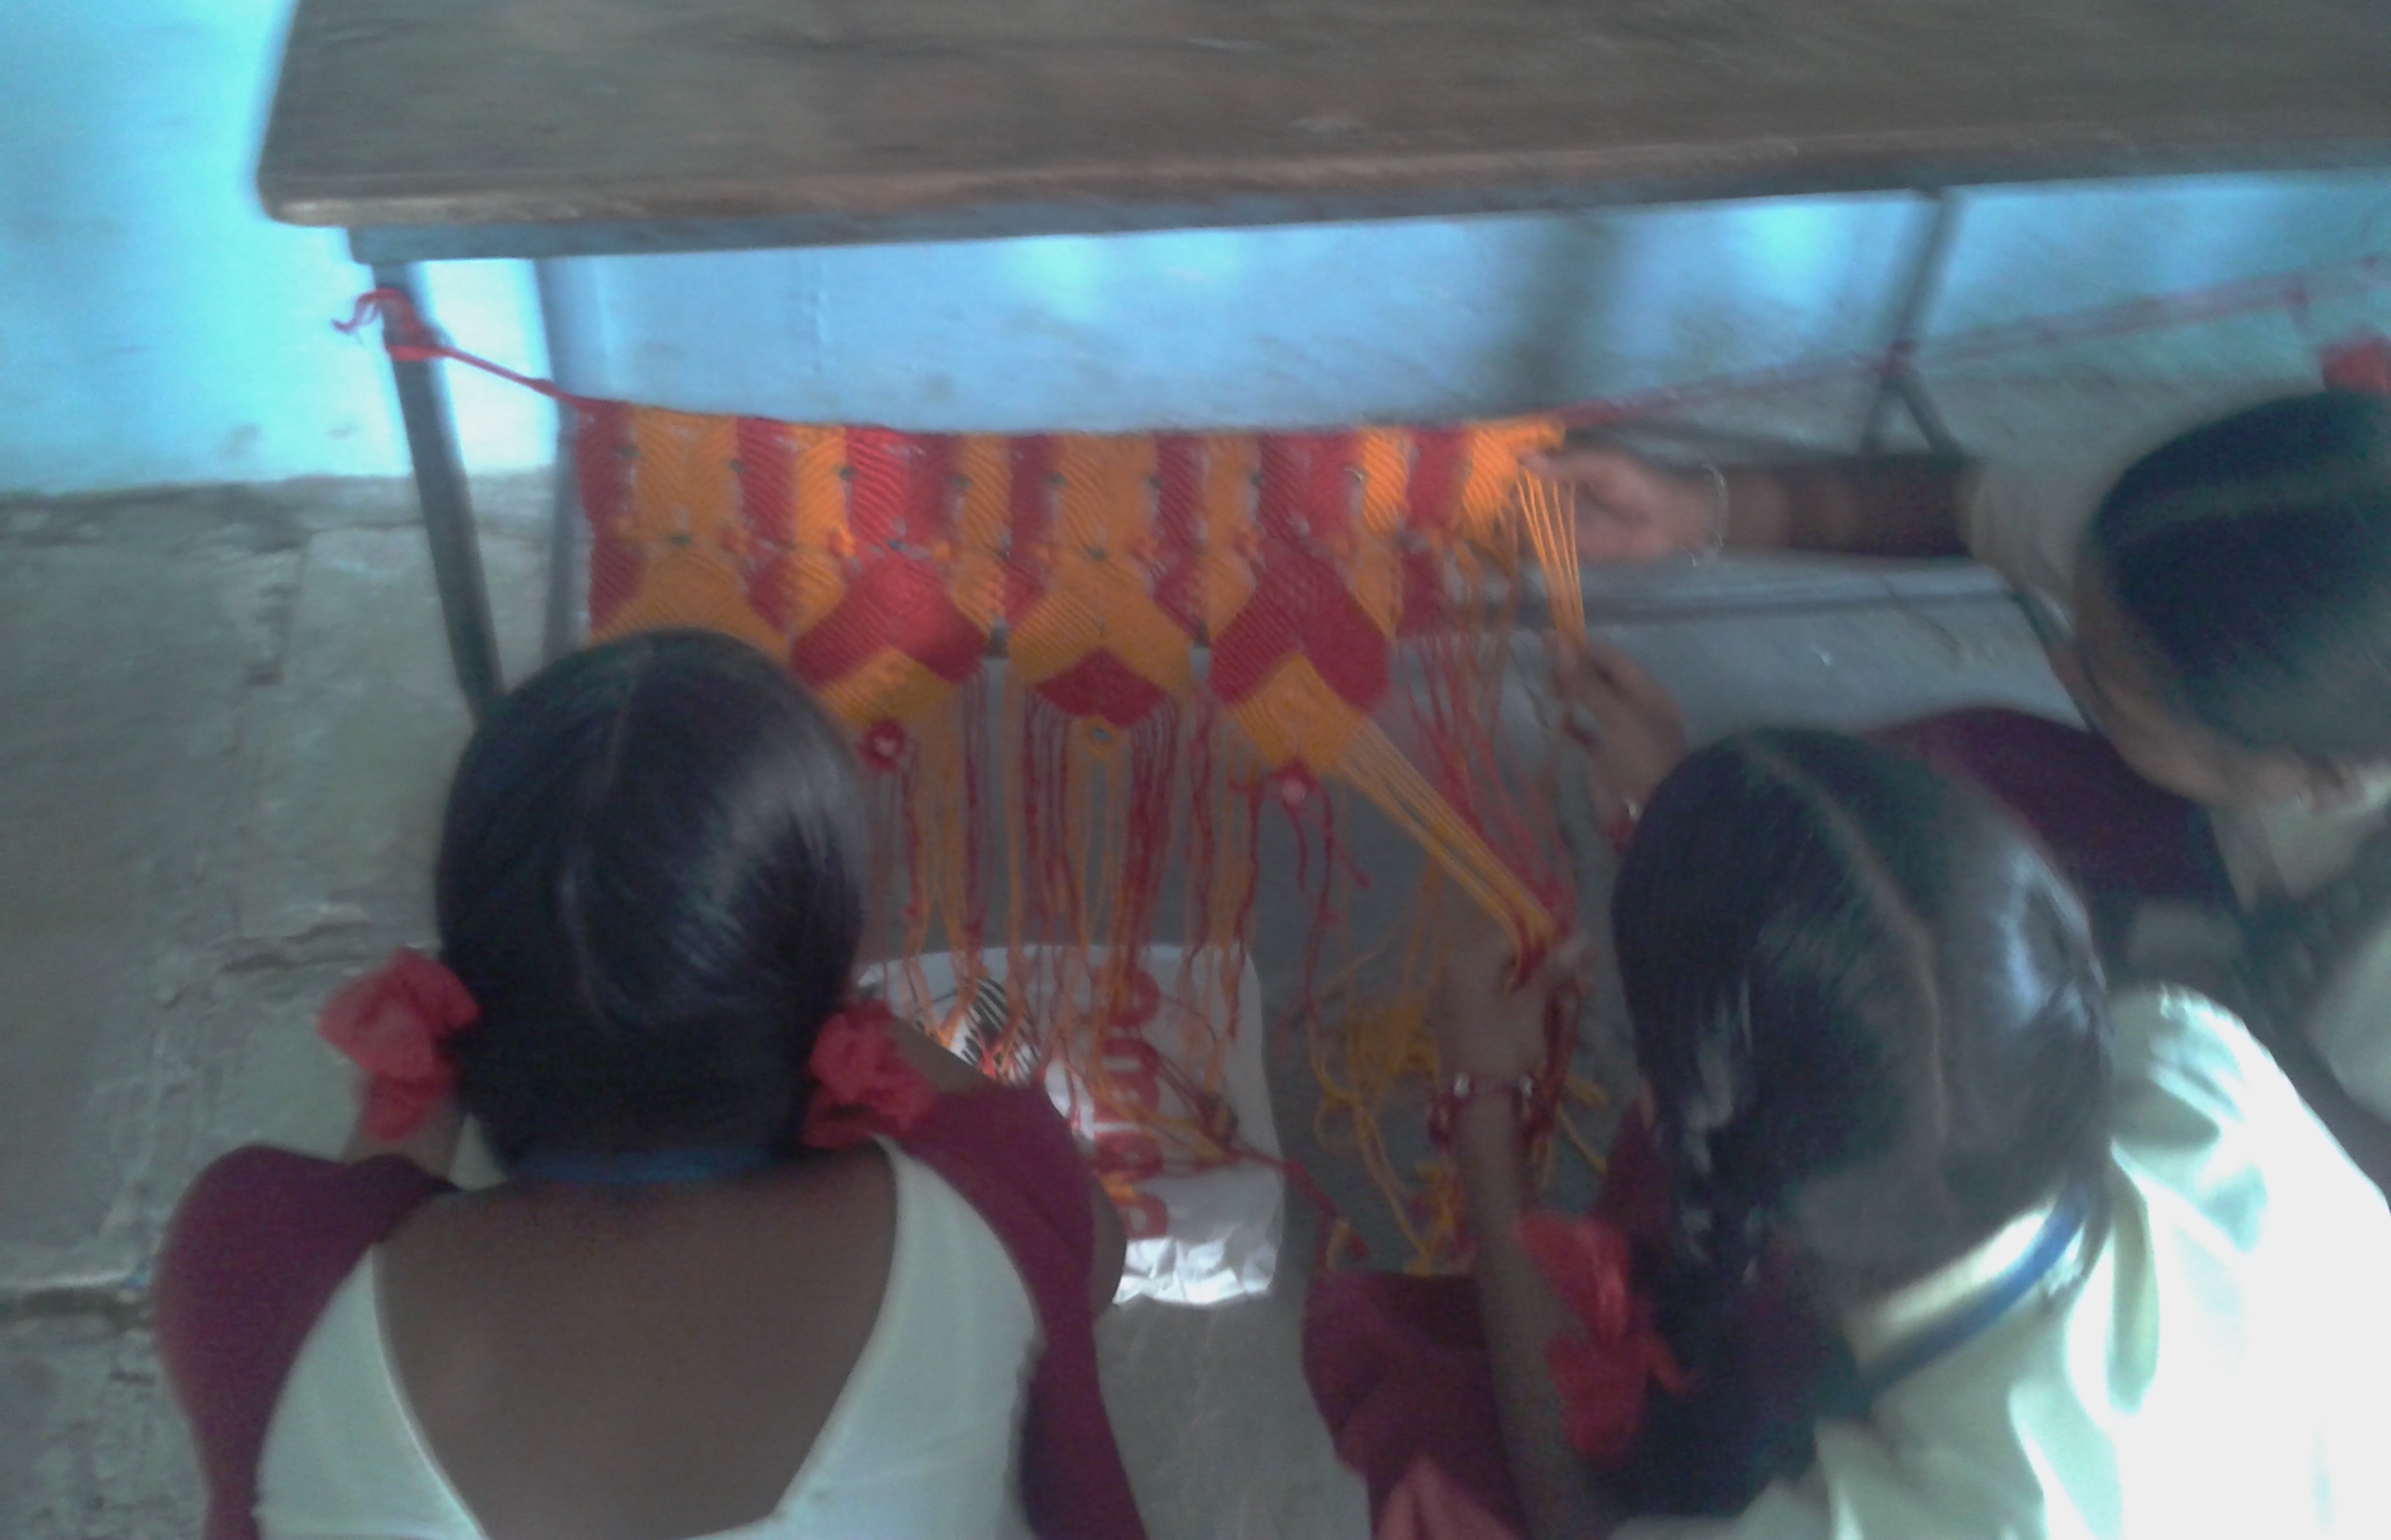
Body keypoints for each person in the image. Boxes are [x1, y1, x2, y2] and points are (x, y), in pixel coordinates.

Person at [153, 629, 1142, 1540]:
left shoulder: (253, 1259)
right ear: (821, 967)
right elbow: (1088, 1266)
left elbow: (333, 1233)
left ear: (458, 990)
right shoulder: (991, 1198)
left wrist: (416, 1086)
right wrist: (852, 1022)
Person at [1314, 728, 2391, 1539]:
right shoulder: (2191, 1063)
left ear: (1661, 1110)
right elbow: (1904, 1006)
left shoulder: (1916, 1516)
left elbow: (1575, 1517)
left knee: (1442, 1447)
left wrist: (1484, 1103)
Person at [1535, 390, 2391, 1185]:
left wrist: (1673, 810)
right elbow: (1967, 503)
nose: (2058, 666)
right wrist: (1686, 509)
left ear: (2322, 780)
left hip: (2281, 1145)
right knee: (1941, 774)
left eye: (2109, 688)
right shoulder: (2237, 549)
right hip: (2246, 931)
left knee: (1842, 1052)